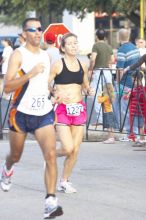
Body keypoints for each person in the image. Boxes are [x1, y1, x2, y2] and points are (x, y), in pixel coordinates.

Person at [0, 17, 63, 219]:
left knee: (51, 155)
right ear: (24, 34)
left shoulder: (46, 55)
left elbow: (43, 83)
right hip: (21, 113)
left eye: (40, 29)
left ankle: (50, 202)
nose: (38, 32)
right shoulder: (18, 55)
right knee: (15, 155)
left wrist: (53, 92)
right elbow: (8, 87)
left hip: (43, 113)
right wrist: (30, 74)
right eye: (33, 29)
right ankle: (7, 168)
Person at [48, 32, 94, 193]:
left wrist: (89, 90)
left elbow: (85, 85)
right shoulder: (57, 64)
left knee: (75, 150)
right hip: (62, 109)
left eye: (76, 43)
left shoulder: (83, 65)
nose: (74, 46)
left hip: (78, 108)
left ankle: (64, 181)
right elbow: (47, 84)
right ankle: (51, 155)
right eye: (70, 43)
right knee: (67, 148)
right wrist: (55, 94)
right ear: (63, 47)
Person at [116, 28, 140, 141]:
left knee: (125, 109)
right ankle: (135, 131)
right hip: (136, 82)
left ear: (118, 37)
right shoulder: (135, 48)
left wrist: (118, 83)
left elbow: (120, 69)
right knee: (134, 108)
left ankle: (129, 133)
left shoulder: (121, 50)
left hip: (125, 83)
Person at [88, 28, 114, 124]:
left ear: (96, 36)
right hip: (107, 72)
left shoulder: (96, 45)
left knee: (97, 94)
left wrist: (91, 68)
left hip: (98, 71)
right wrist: (107, 63)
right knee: (108, 95)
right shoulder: (108, 46)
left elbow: (93, 59)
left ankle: (100, 119)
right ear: (105, 36)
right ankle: (109, 118)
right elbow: (112, 59)